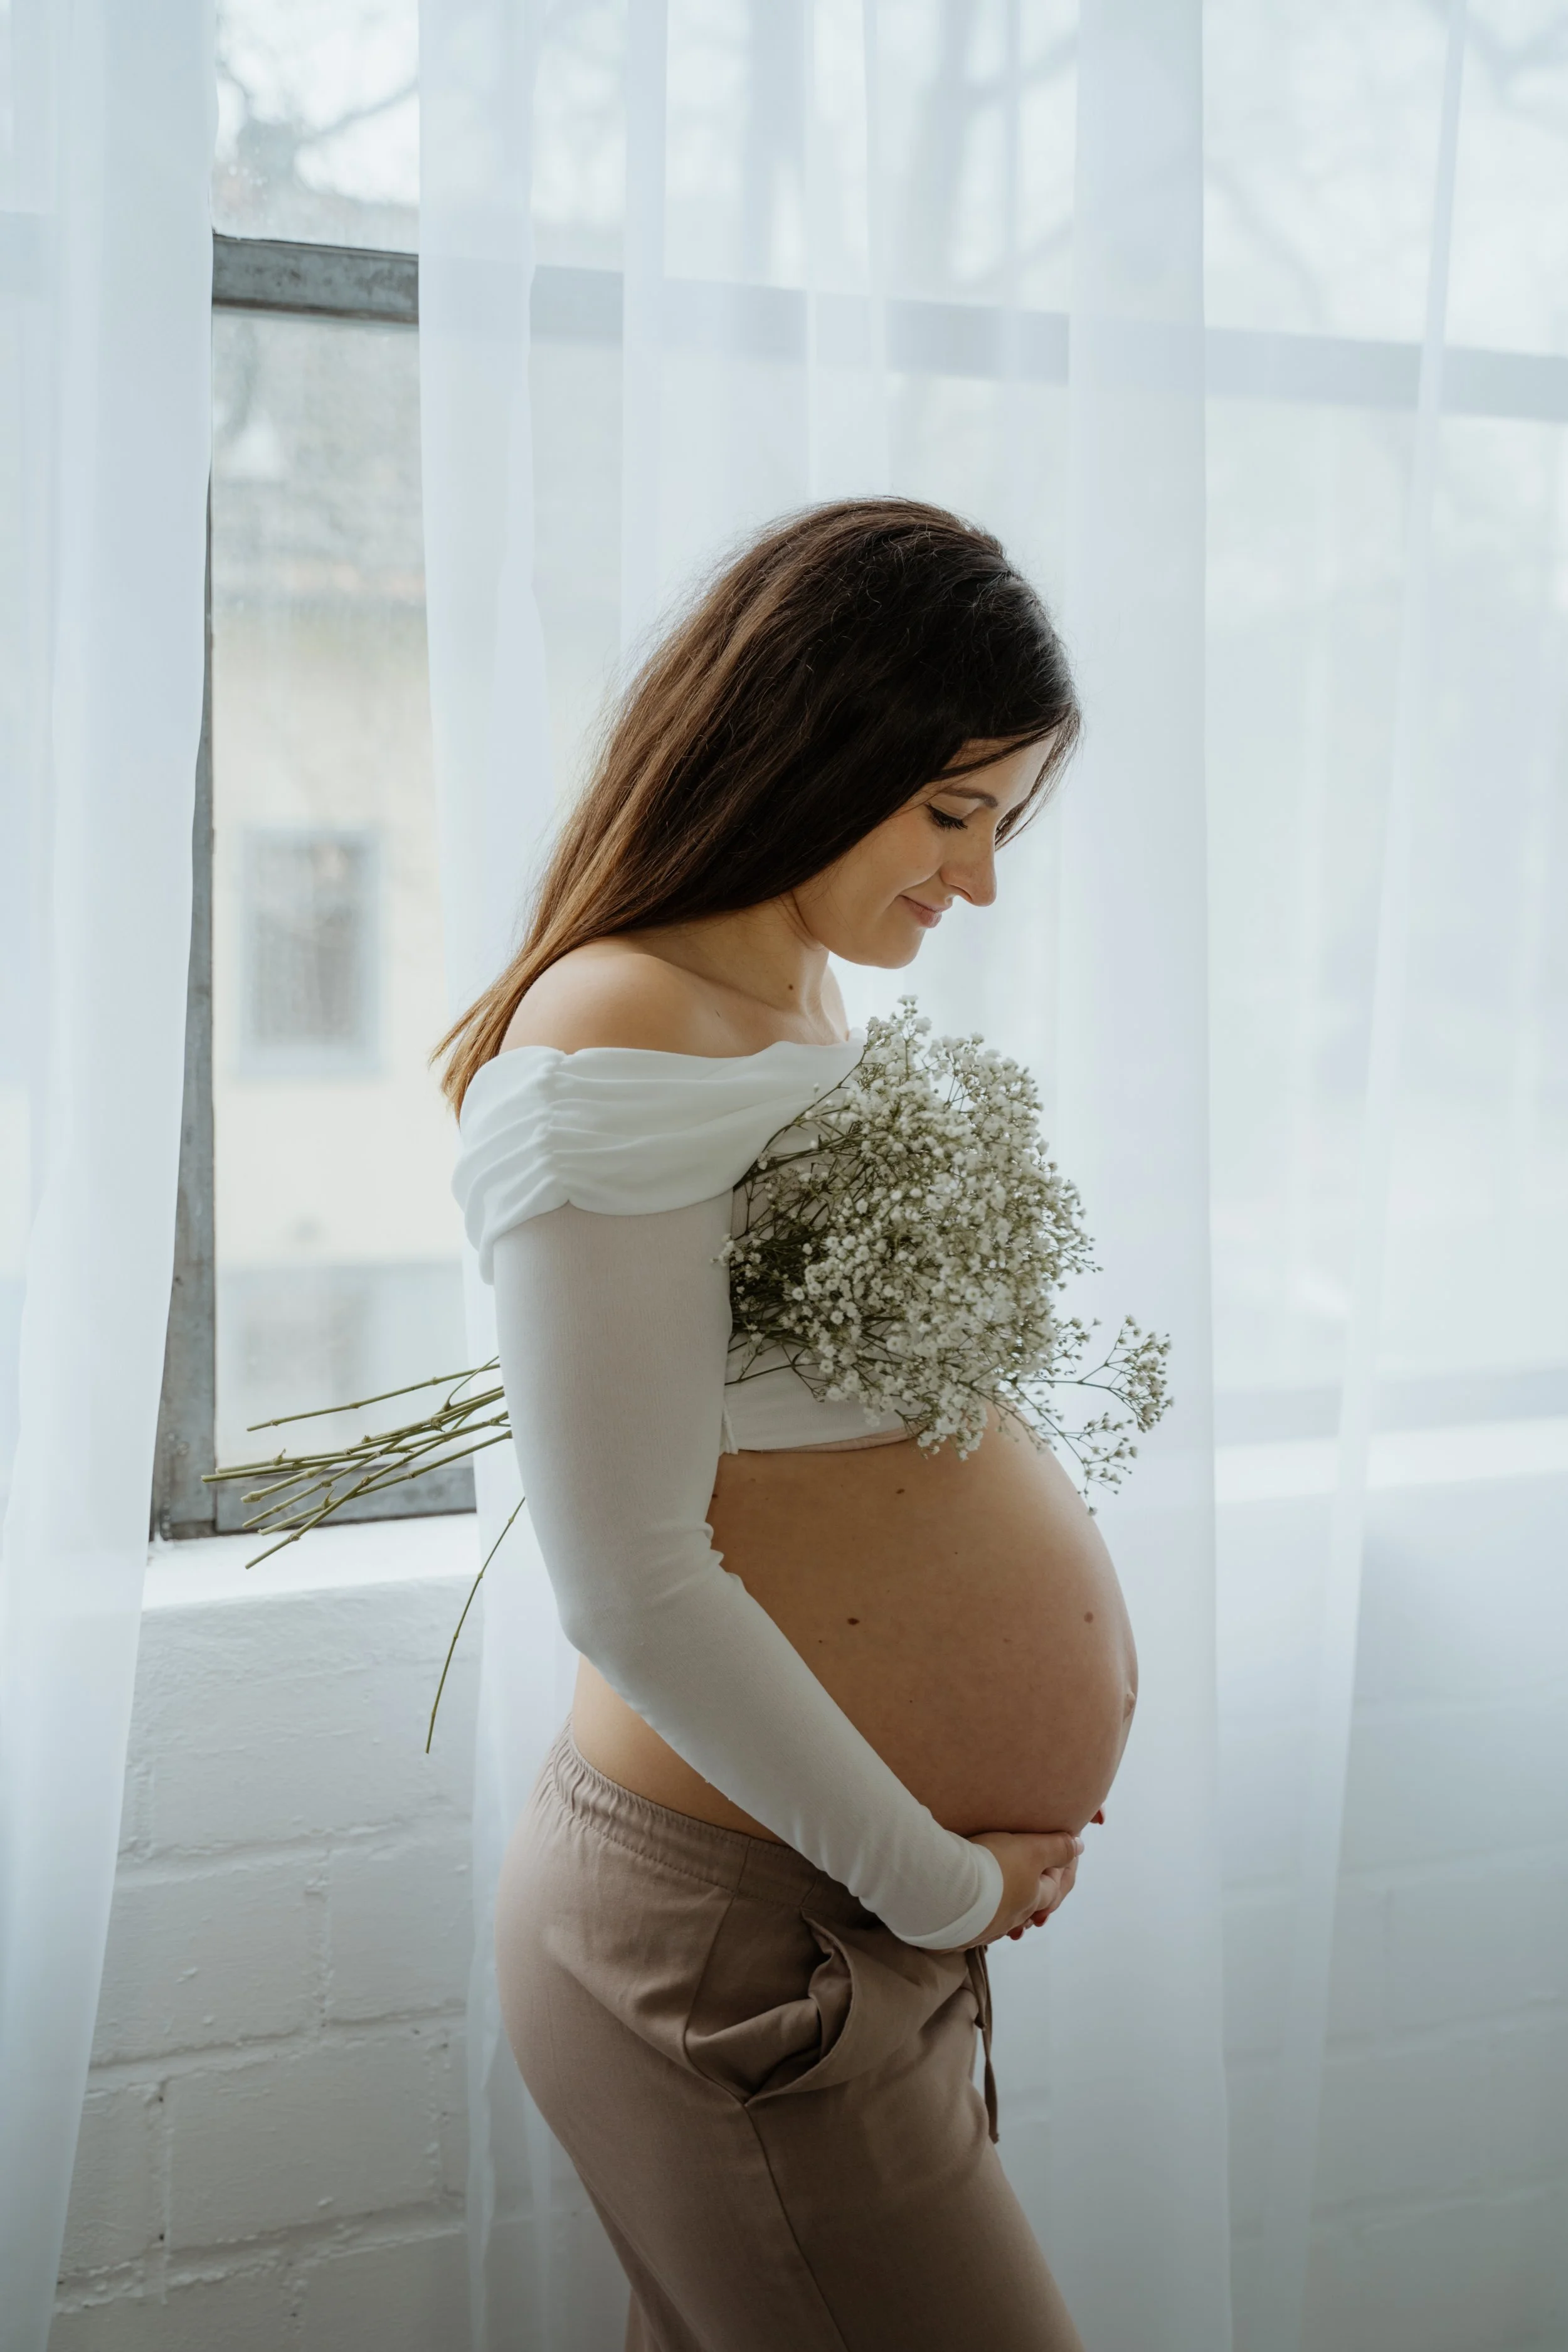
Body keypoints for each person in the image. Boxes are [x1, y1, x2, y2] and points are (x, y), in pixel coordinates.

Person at [443, 499, 1136, 2351]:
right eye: (950, 812)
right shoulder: (620, 1021)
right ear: (812, 736)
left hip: (819, 1925)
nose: (976, 882)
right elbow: (628, 1582)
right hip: (757, 1936)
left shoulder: (787, 995)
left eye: (1001, 823)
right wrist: (939, 1882)